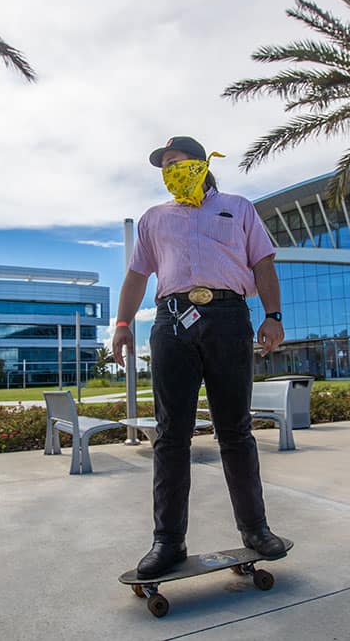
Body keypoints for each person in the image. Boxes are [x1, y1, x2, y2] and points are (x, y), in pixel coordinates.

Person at [112, 135, 287, 579]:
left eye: (178, 161)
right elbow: (136, 275)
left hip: (230, 318)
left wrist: (273, 316)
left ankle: (255, 530)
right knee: (172, 436)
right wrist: (122, 324)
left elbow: (264, 263)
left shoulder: (238, 207)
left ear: (202, 162)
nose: (171, 170)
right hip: (172, 322)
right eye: (164, 166)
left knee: (236, 431)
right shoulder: (155, 219)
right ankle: (168, 542)